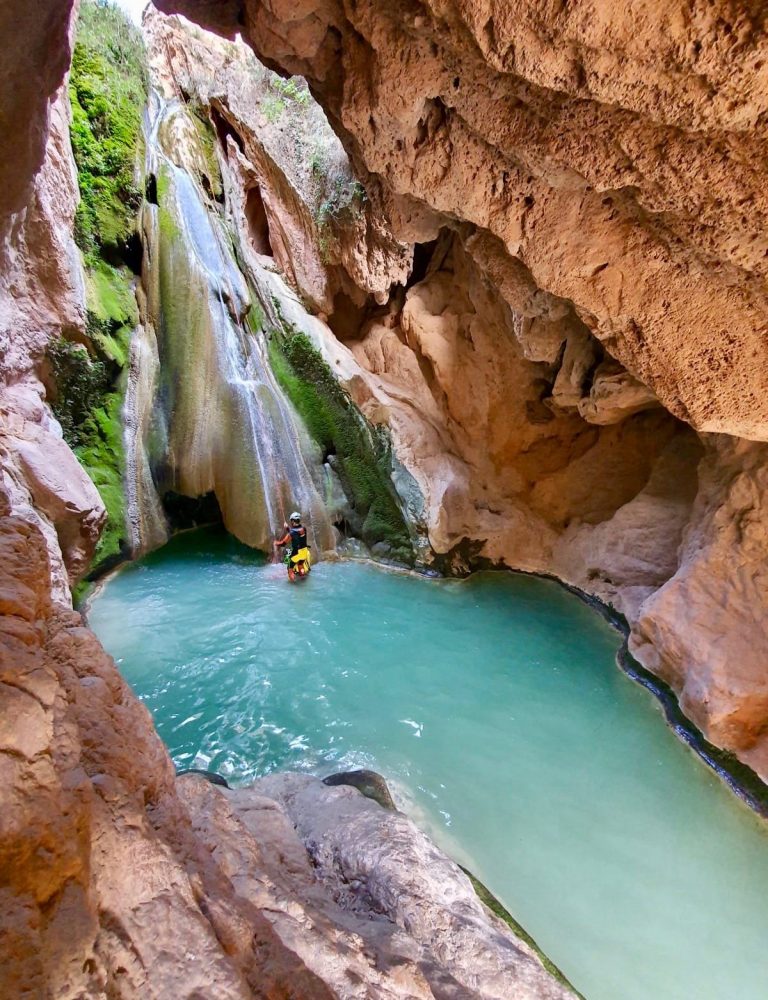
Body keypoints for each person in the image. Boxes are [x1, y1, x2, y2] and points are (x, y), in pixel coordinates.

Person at [273, 511, 311, 581]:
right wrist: (287, 528)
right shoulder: (303, 528)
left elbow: (283, 544)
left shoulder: (291, 533)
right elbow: (296, 533)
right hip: (304, 552)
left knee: (290, 568)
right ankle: (303, 577)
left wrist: (276, 543)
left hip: (296, 554)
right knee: (300, 565)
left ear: (293, 521)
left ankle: (293, 583)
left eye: (291, 521)